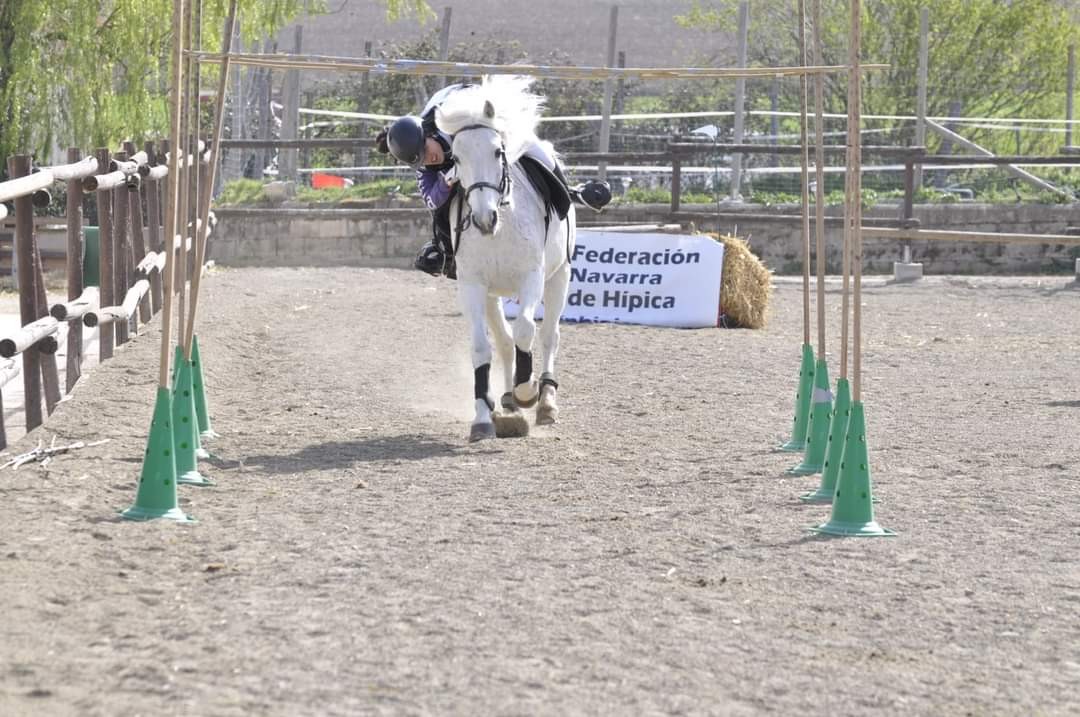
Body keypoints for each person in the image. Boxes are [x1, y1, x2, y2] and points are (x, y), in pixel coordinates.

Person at [375, 83, 612, 279]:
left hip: (488, 118)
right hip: (458, 147)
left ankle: (572, 192)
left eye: (426, 150)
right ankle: (443, 250)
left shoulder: (447, 122)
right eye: (422, 160)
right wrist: (446, 181)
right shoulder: (424, 163)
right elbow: (431, 199)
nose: (430, 159)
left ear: (428, 134)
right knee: (441, 209)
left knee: (536, 151)